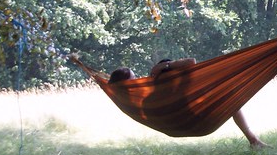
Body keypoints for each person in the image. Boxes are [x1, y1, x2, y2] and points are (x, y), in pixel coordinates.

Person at [109, 57, 267, 148]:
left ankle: (254, 141)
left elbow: (191, 63)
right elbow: (191, 62)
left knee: (231, 100)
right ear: (125, 84)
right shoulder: (150, 94)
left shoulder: (147, 96)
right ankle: (253, 140)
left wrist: (164, 67)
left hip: (184, 123)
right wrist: (164, 67)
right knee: (232, 101)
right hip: (191, 121)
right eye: (134, 78)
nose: (138, 80)